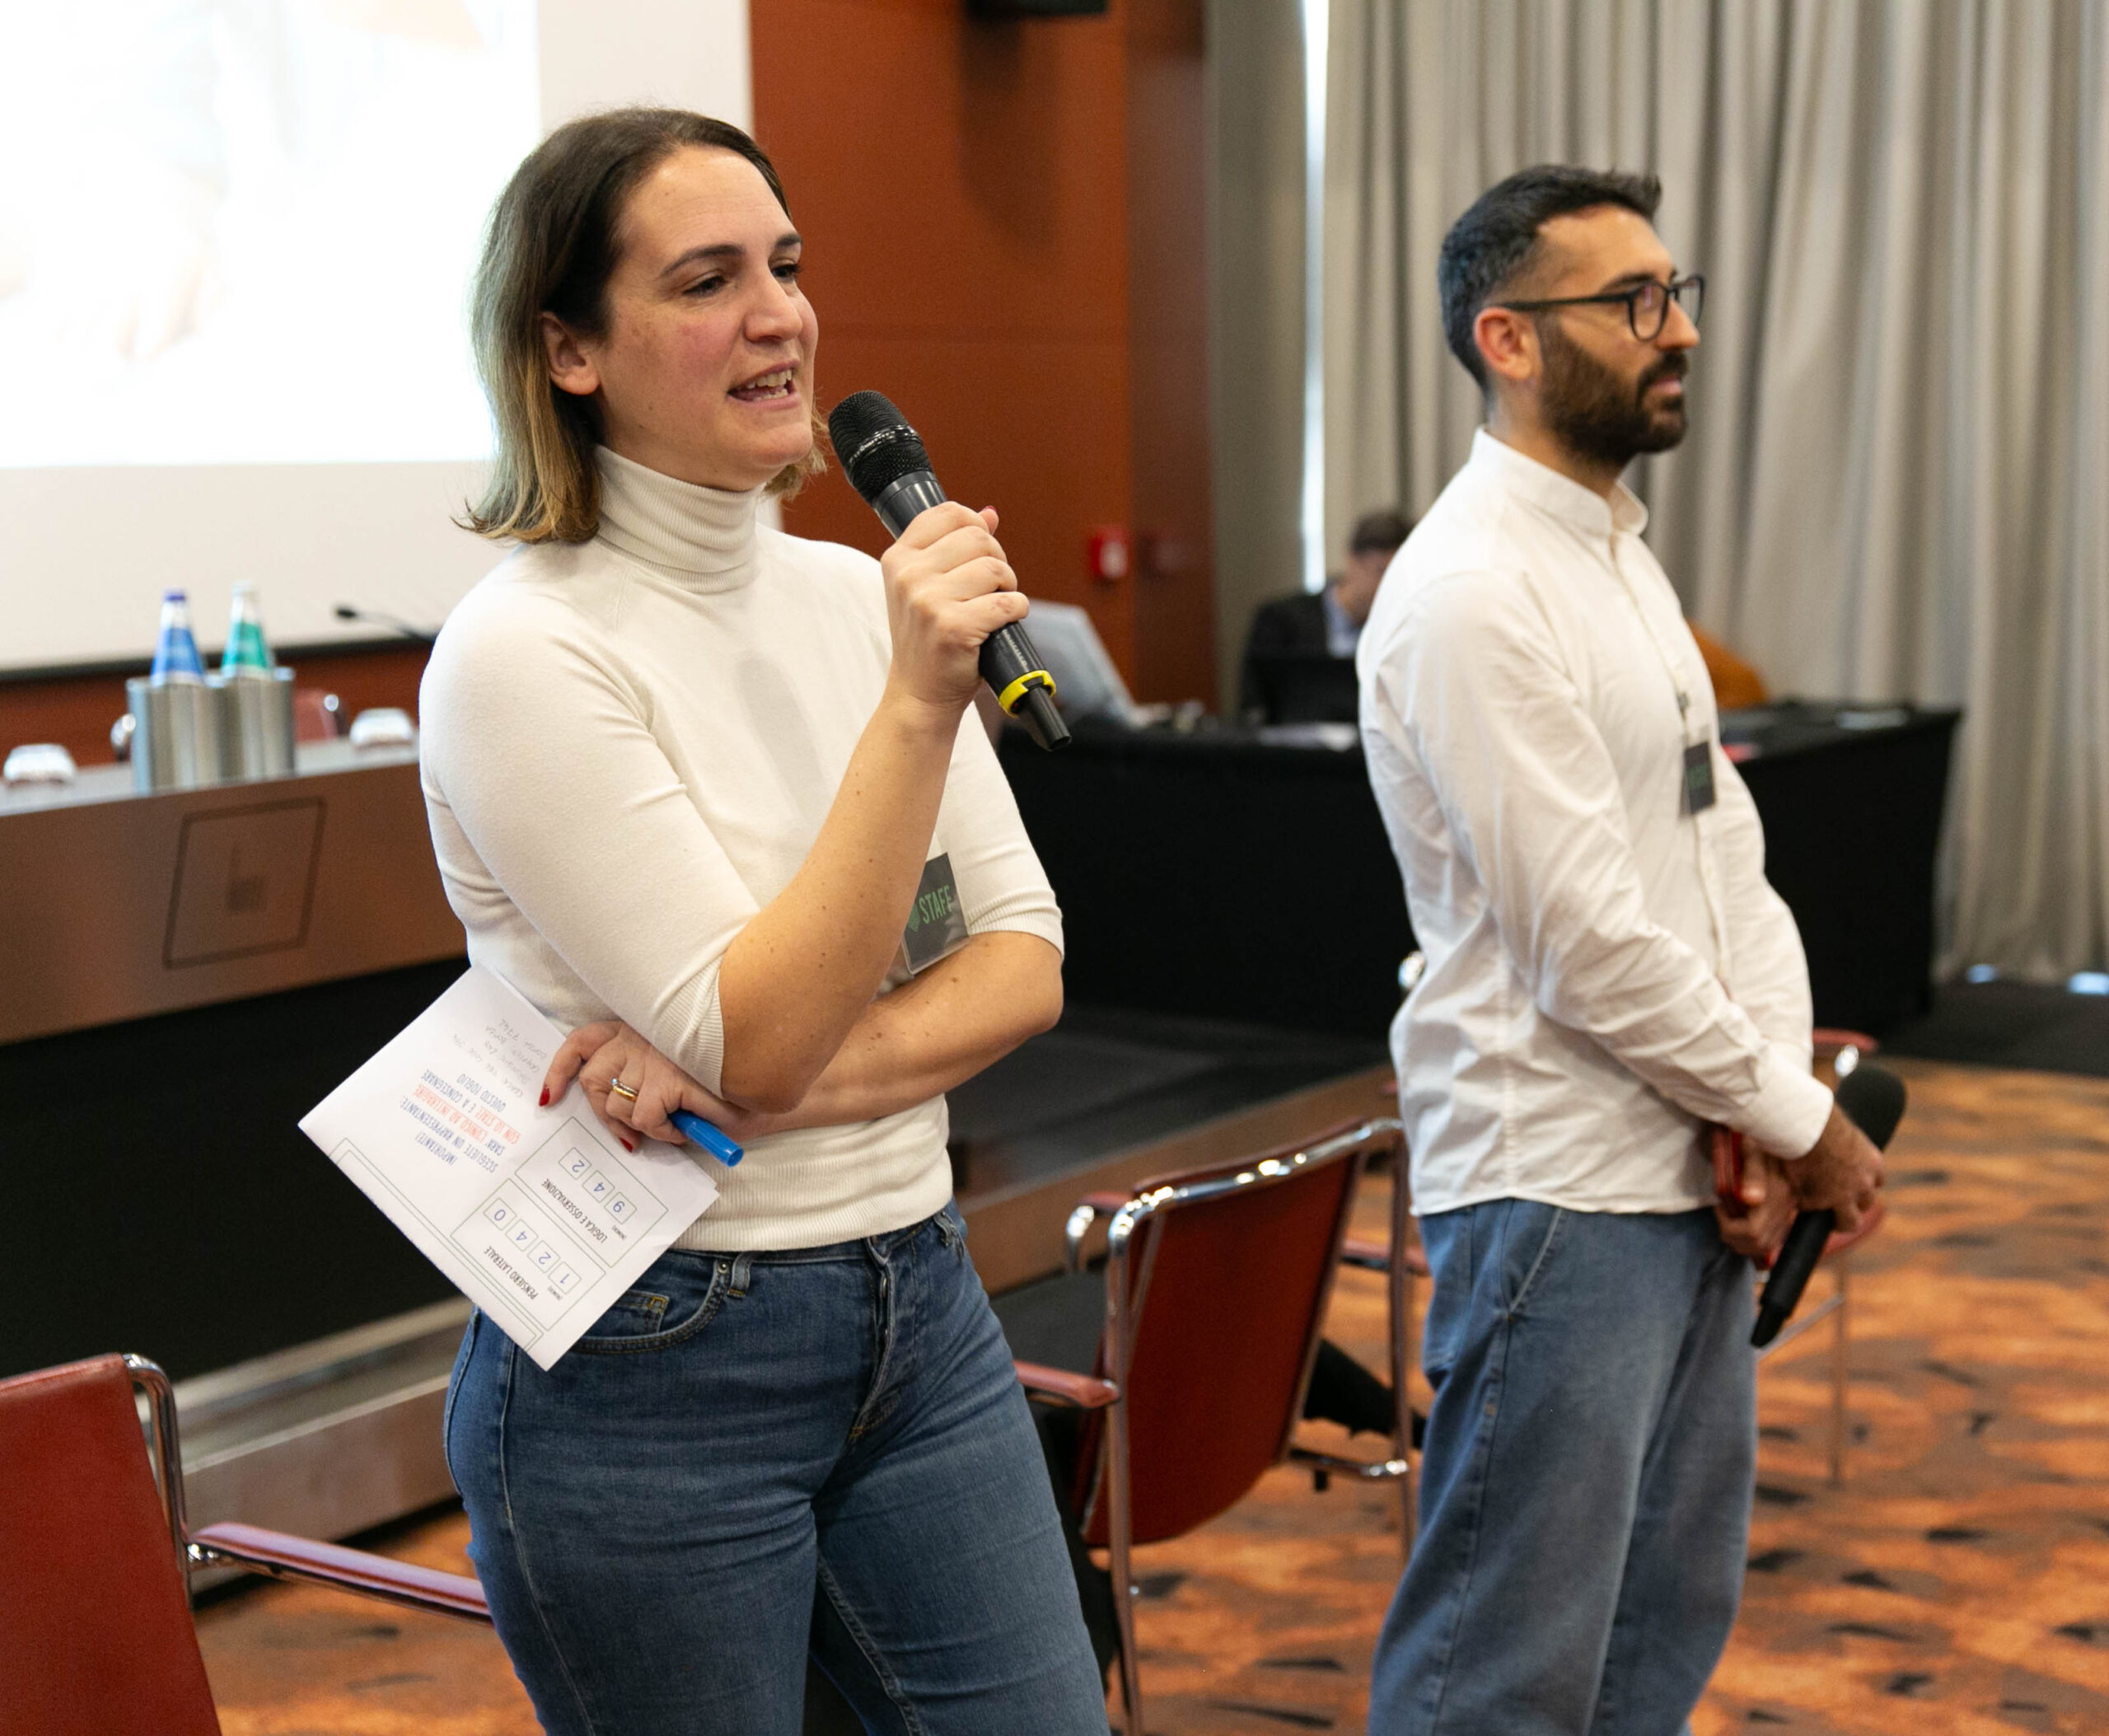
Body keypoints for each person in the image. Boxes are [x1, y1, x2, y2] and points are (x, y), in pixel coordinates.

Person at [421, 108, 1107, 1734]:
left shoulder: (860, 595)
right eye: (706, 280)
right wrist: (917, 709)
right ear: (568, 349)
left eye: (785, 269)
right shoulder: (526, 652)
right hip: (655, 1353)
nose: (779, 316)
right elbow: (767, 1028)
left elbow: (1021, 963)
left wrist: (741, 1078)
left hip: (917, 1298)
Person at [1356, 165, 1886, 1734]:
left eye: (1678, 293)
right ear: (1508, 339)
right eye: (1637, 301)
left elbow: (1722, 858)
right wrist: (1799, 1123)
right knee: (1502, 1669)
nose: (1682, 331)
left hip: (1679, 1165)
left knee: (1660, 1626)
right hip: (1556, 1182)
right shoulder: (1472, 591)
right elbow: (1585, 943)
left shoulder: (1614, 558)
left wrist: (1764, 1103)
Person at [1238, 508, 1410, 718]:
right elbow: (1254, 705)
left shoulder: (1402, 631)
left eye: (1399, 578)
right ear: (1352, 561)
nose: (1389, 587)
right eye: (1381, 572)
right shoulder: (1280, 621)